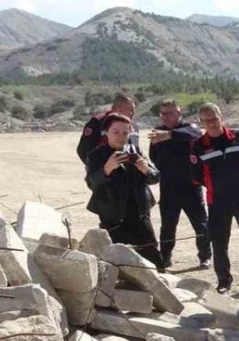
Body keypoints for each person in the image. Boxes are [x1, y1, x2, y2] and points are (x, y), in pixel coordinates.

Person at [190, 103, 239, 293]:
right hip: (218, 202)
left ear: (221, 117)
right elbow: (196, 176)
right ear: (201, 122)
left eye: (214, 118)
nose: (211, 123)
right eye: (206, 120)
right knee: (219, 243)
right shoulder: (198, 146)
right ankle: (224, 281)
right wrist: (217, 187)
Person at [84, 113, 163, 269]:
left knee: (152, 257)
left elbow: (155, 177)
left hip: (139, 213)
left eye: (125, 133)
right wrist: (107, 168)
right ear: (106, 132)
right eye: (116, 132)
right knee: (113, 261)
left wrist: (145, 169)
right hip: (112, 216)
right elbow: (92, 183)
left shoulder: (135, 151)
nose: (121, 136)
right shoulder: (96, 155)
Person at [149, 99, 210, 270]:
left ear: (179, 113)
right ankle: (165, 257)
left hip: (191, 187)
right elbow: (154, 157)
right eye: (162, 113)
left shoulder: (189, 128)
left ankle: (205, 256)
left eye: (169, 113)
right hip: (168, 189)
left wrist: (169, 136)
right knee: (167, 226)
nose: (165, 117)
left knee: (201, 224)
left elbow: (195, 133)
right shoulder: (157, 132)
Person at [77, 93, 137, 163]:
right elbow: (83, 150)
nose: (133, 113)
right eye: (131, 110)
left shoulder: (133, 126)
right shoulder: (97, 122)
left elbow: (134, 149)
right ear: (119, 109)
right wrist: (97, 168)